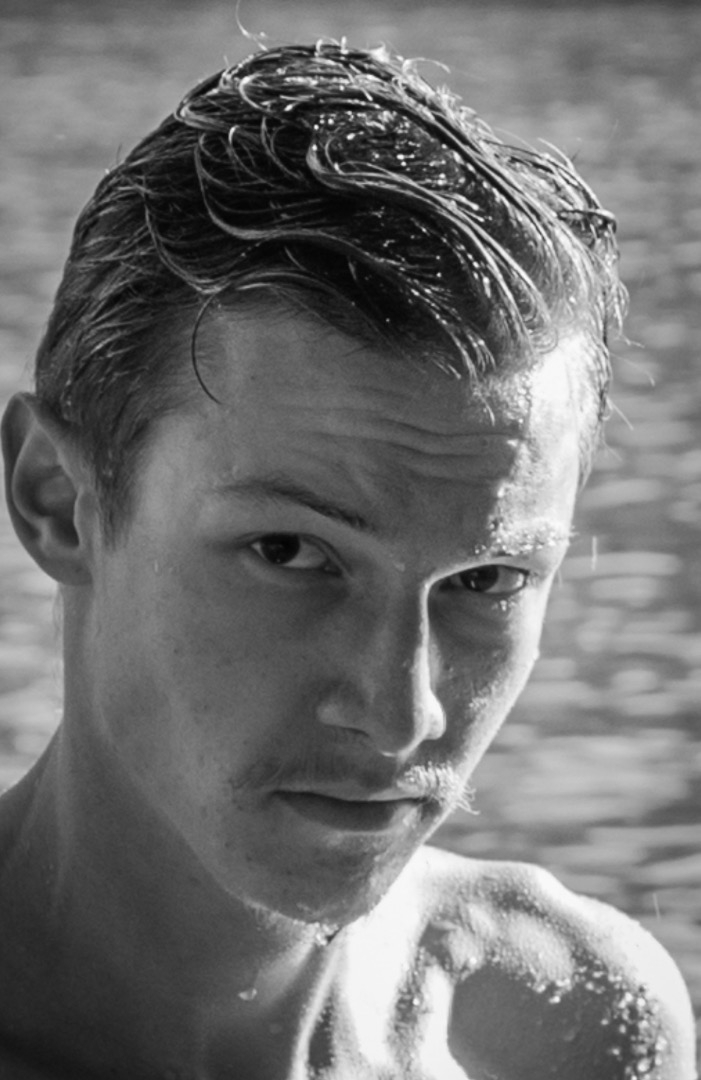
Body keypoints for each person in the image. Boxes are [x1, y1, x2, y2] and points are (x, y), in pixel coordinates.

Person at [0, 40, 696, 1080]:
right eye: (291, 553)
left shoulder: (562, 1027)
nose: (400, 712)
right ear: (58, 502)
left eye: (486, 581)